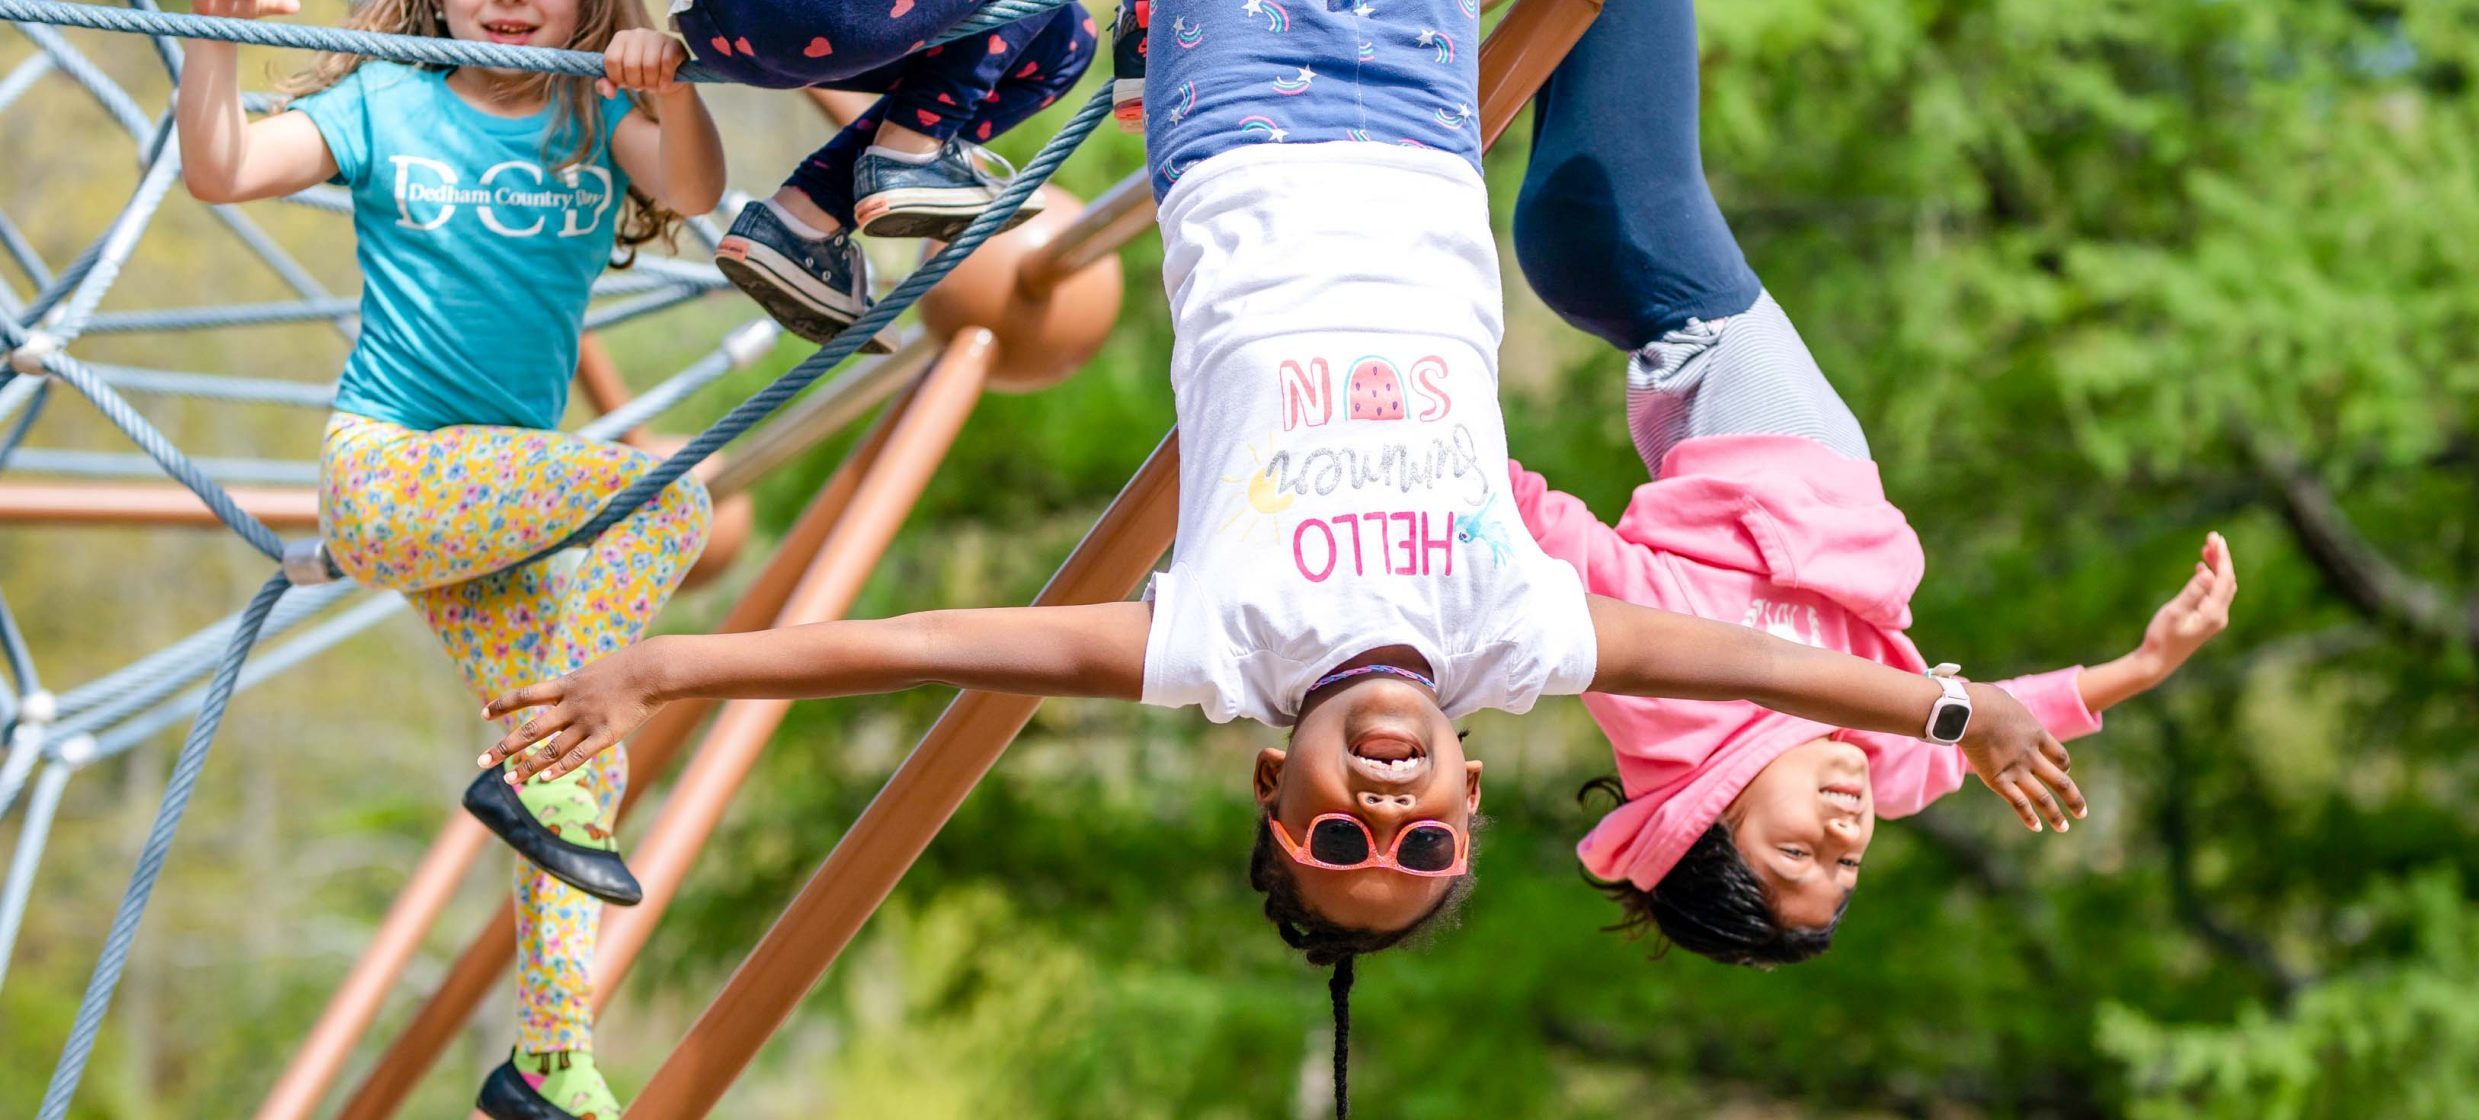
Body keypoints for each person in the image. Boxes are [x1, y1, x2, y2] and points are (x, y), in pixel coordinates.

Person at [482, 0, 2079, 1112]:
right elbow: (1745, 664)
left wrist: (668, 664)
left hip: (1243, 106)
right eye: (1425, 855)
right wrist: (1951, 711)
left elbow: (916, 643)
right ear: (1466, 801)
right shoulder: (1511, 636)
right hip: (1419, 112)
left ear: (1275, 793)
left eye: (1341, 847)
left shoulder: (1217, 646)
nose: (1385, 819)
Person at [1505, 0, 2237, 967]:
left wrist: (1424, 436)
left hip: (1649, 263)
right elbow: (1993, 718)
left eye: (1797, 849)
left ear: (1705, 819)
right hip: (1641, 240)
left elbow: (1537, 529)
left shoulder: (1676, 695)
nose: (1844, 829)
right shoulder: (1879, 742)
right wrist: (2138, 668)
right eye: (1846, 865)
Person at [176, 0, 722, 1114]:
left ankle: (548, 1063)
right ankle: (545, 810)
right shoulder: (391, 97)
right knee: (669, 498)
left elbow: (697, 189)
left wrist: (669, 79)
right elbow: (223, 169)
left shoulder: (593, 104)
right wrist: (213, 38)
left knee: (571, 746)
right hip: (388, 476)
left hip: (498, 508)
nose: (506, 6)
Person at [677, 0, 1095, 342]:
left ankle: (806, 214)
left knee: (1062, 36)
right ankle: (912, 152)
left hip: (721, 37)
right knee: (1067, 30)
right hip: (810, 16)